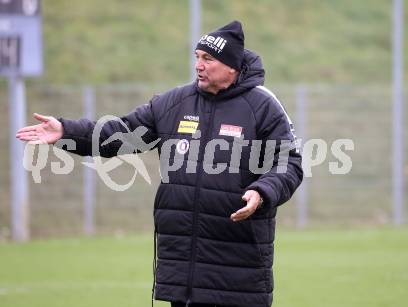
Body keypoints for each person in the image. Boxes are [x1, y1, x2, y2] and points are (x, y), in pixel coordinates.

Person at [16, 21, 302, 307]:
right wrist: (67, 131)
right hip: (183, 273)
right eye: (197, 57)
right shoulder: (174, 103)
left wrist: (263, 191)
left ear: (232, 66)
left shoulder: (263, 106)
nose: (199, 66)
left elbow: (289, 162)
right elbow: (120, 134)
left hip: (238, 270)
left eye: (208, 59)